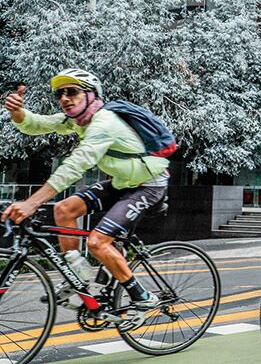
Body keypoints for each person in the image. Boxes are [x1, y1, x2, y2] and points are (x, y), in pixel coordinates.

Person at [1, 70, 171, 310]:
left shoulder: (104, 122)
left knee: (97, 243)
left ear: (92, 95)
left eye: (72, 91)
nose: (64, 98)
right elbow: (37, 124)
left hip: (149, 185)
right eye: (60, 93)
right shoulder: (78, 120)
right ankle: (78, 277)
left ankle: (142, 296)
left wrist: (32, 202)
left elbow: (75, 165)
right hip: (122, 183)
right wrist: (17, 112)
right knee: (64, 209)